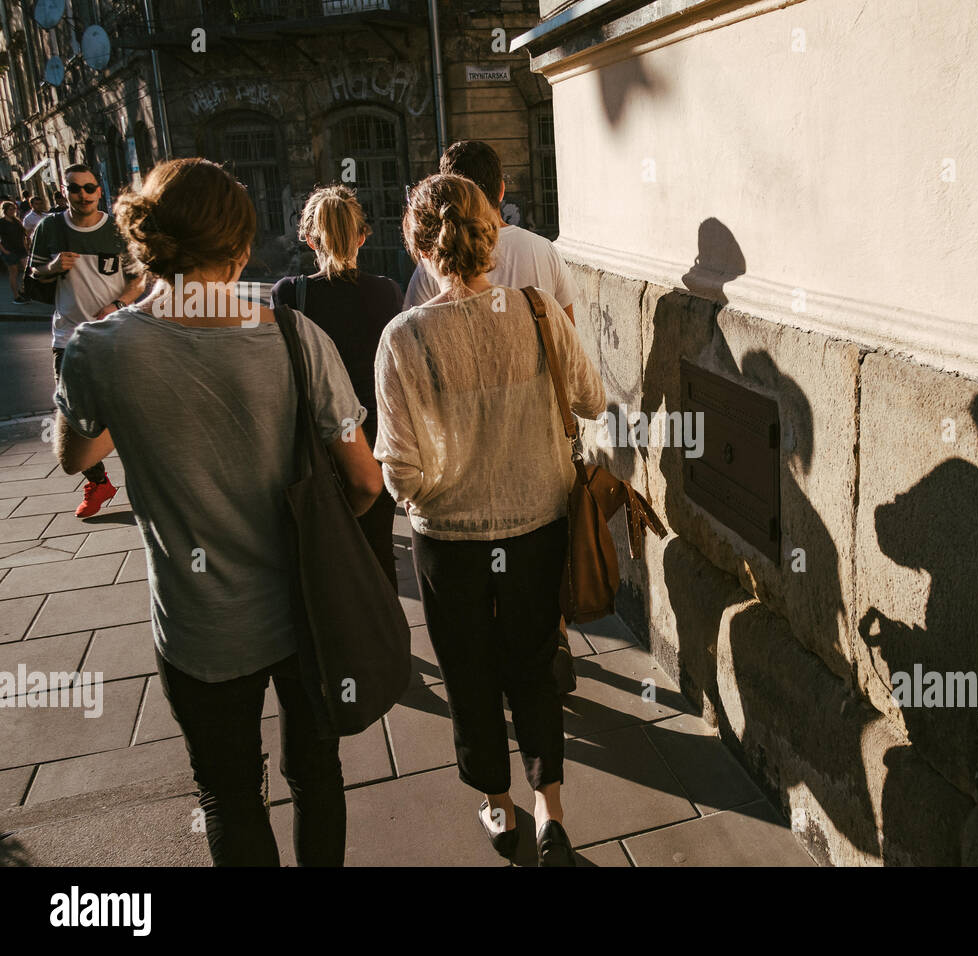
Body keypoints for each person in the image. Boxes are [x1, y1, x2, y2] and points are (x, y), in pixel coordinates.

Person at [52, 157, 383, 867]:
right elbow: (364, 482)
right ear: (240, 251)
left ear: (149, 245)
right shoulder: (299, 339)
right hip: (306, 610)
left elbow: (76, 457)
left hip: (197, 623)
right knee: (317, 773)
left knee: (230, 795)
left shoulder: (98, 350)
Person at [376, 173, 605, 866]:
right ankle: (551, 813)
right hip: (538, 528)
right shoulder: (538, 310)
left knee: (469, 675)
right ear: (491, 234)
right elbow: (592, 400)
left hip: (452, 544)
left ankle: (498, 807)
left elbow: (400, 474)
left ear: (421, 245)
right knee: (535, 667)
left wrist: (434, 494)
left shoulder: (404, 336)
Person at [271, 185, 403, 588]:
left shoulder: (290, 293)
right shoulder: (386, 291)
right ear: (362, 236)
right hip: (375, 434)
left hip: (320, 437)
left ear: (309, 239)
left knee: (324, 549)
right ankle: (385, 636)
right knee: (378, 545)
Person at [29, 165, 146, 517]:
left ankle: (146, 484)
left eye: (89, 188)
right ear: (64, 191)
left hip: (114, 333)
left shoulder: (115, 229)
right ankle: (98, 483)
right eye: (75, 189)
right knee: (73, 417)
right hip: (67, 337)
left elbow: (139, 279)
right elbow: (34, 269)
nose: (83, 195)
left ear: (99, 191)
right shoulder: (50, 227)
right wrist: (52, 266)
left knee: (130, 411)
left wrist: (117, 305)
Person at [402, 141, 578, 323]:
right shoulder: (545, 250)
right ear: (502, 190)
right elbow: (568, 334)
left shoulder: (435, 260)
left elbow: (414, 331)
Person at [1, 202, 27, 302]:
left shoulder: (16, 221)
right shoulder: (2, 222)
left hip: (20, 249)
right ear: (5, 211)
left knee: (27, 270)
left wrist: (26, 247)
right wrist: (4, 250)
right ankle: (16, 296)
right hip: (9, 250)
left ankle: (23, 290)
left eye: (14, 209)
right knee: (14, 273)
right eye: (10, 209)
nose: (13, 211)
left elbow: (23, 235)